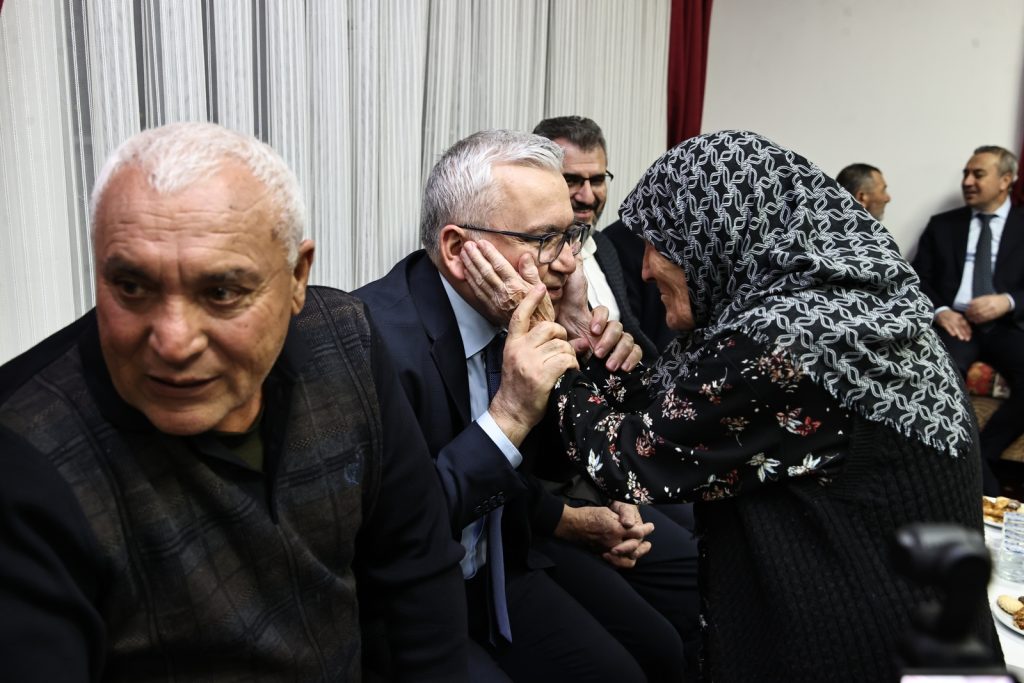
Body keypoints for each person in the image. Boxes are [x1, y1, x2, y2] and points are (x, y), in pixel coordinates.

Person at [462, 130, 1001, 682]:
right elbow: (690, 416)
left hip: (860, 643)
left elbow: (633, 459)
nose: (644, 269)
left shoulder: (794, 338)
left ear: (712, 237)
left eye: (657, 246)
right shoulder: (834, 308)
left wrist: (543, 341)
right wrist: (586, 341)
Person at [0, 122, 468, 682]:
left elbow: (417, 565)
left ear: (297, 278)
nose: (174, 342)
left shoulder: (347, 342)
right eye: (132, 287)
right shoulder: (25, 454)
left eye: (221, 292)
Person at [356, 129, 698, 682]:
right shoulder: (371, 342)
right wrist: (510, 415)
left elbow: (549, 469)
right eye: (544, 239)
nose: (569, 262)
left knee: (652, 655)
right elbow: (392, 531)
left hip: (503, 561)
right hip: (413, 599)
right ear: (457, 249)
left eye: (572, 235)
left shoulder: (517, 313)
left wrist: (583, 359)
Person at [911, 145, 1024, 496]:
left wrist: (1007, 301)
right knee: (938, 378)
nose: (968, 181)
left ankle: (981, 458)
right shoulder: (943, 225)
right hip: (955, 325)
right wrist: (941, 311)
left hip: (1007, 326)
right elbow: (916, 278)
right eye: (965, 173)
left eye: (978, 174)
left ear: (1006, 180)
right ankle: (952, 471)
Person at [533, 116, 674, 356]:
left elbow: (634, 335)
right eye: (571, 180)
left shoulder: (605, 246)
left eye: (597, 180)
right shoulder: (534, 260)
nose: (588, 196)